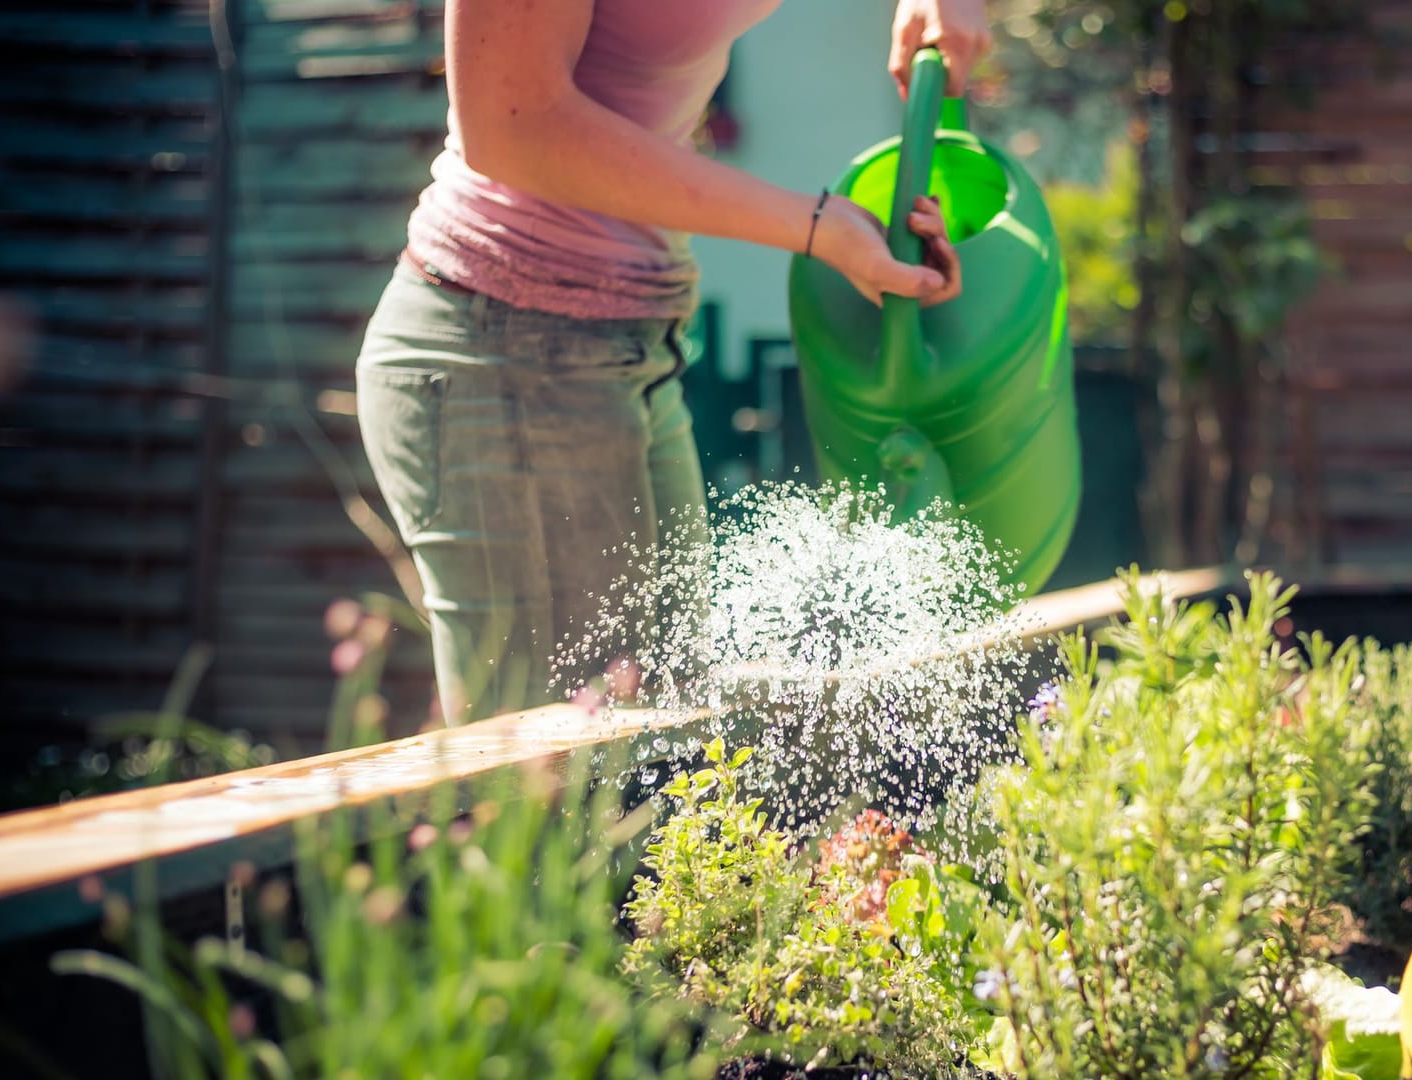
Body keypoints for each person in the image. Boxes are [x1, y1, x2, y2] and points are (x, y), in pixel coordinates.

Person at [356, 1, 991, 725]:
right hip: (509, 350)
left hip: (629, 349)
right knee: (560, 797)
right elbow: (510, 124)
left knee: (664, 752)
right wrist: (819, 227)